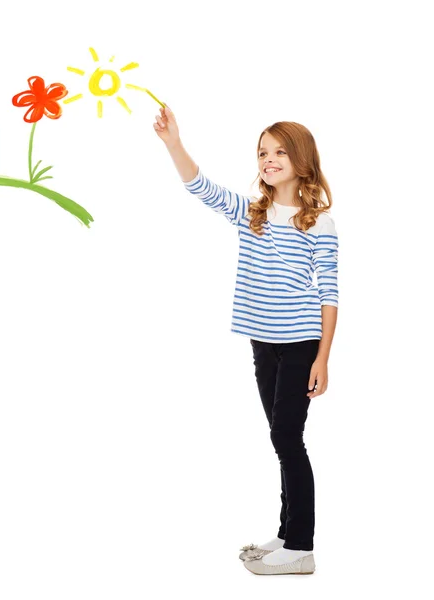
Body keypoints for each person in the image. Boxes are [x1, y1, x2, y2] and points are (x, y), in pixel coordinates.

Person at [153, 106, 339, 576]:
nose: (268, 159)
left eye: (279, 151)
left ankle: (301, 547)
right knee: (281, 440)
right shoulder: (252, 213)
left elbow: (330, 294)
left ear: (301, 159)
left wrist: (323, 359)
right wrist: (175, 143)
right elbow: (201, 187)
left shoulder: (319, 222)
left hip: (300, 345)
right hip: (263, 343)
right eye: (262, 152)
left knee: (287, 437)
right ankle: (287, 530)